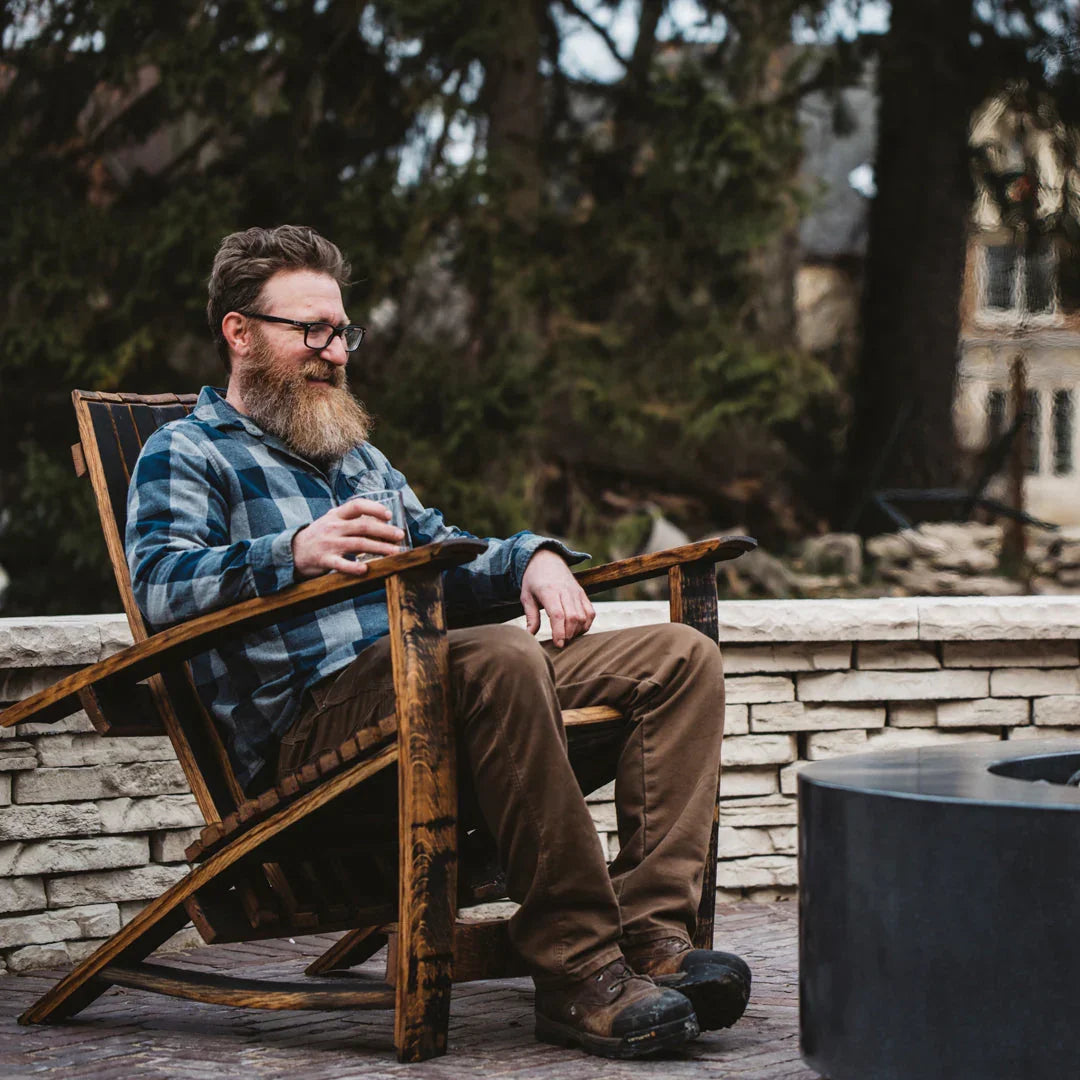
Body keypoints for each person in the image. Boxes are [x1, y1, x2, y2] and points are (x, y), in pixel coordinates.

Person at [125, 224, 750, 1059]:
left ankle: (652, 939)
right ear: (239, 332)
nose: (335, 352)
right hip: (316, 735)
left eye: (341, 331)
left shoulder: (357, 458)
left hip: (438, 688)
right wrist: (292, 553)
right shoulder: (187, 452)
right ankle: (578, 970)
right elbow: (161, 586)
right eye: (309, 331)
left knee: (678, 658)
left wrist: (533, 556)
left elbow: (444, 554)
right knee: (495, 653)